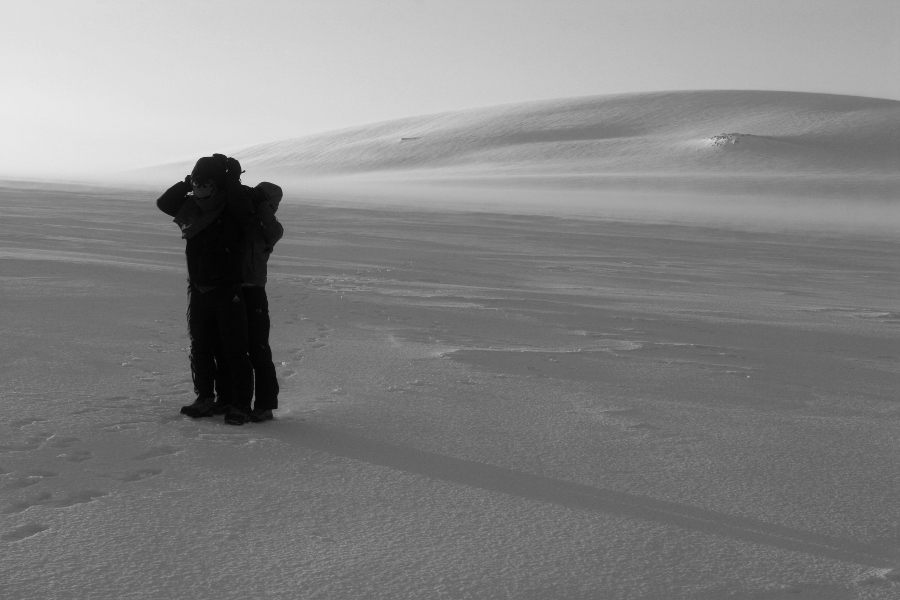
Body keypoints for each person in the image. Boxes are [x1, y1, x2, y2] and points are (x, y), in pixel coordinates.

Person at [156, 154, 255, 426]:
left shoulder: (231, 208)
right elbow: (164, 203)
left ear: (217, 184)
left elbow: (243, 208)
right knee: (200, 346)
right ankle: (204, 398)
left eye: (205, 183)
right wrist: (187, 181)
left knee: (234, 349)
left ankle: (241, 405)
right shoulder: (191, 209)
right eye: (196, 183)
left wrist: (231, 179)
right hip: (198, 287)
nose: (199, 189)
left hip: (226, 288)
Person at [213, 181, 284, 422]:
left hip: (253, 290)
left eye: (264, 199)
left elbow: (270, 230)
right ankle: (231, 398)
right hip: (231, 288)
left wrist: (261, 205)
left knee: (258, 348)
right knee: (230, 348)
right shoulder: (242, 218)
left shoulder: (271, 227)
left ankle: (265, 404)